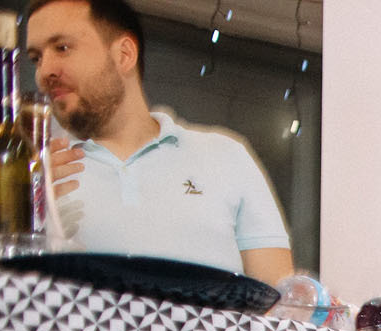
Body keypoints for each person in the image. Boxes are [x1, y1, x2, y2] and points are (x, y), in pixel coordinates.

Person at [22, 0, 294, 283]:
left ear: (124, 54)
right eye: (36, 58)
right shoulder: (39, 176)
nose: (44, 72)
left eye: (62, 48)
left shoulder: (228, 157)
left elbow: (280, 307)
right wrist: (28, 211)